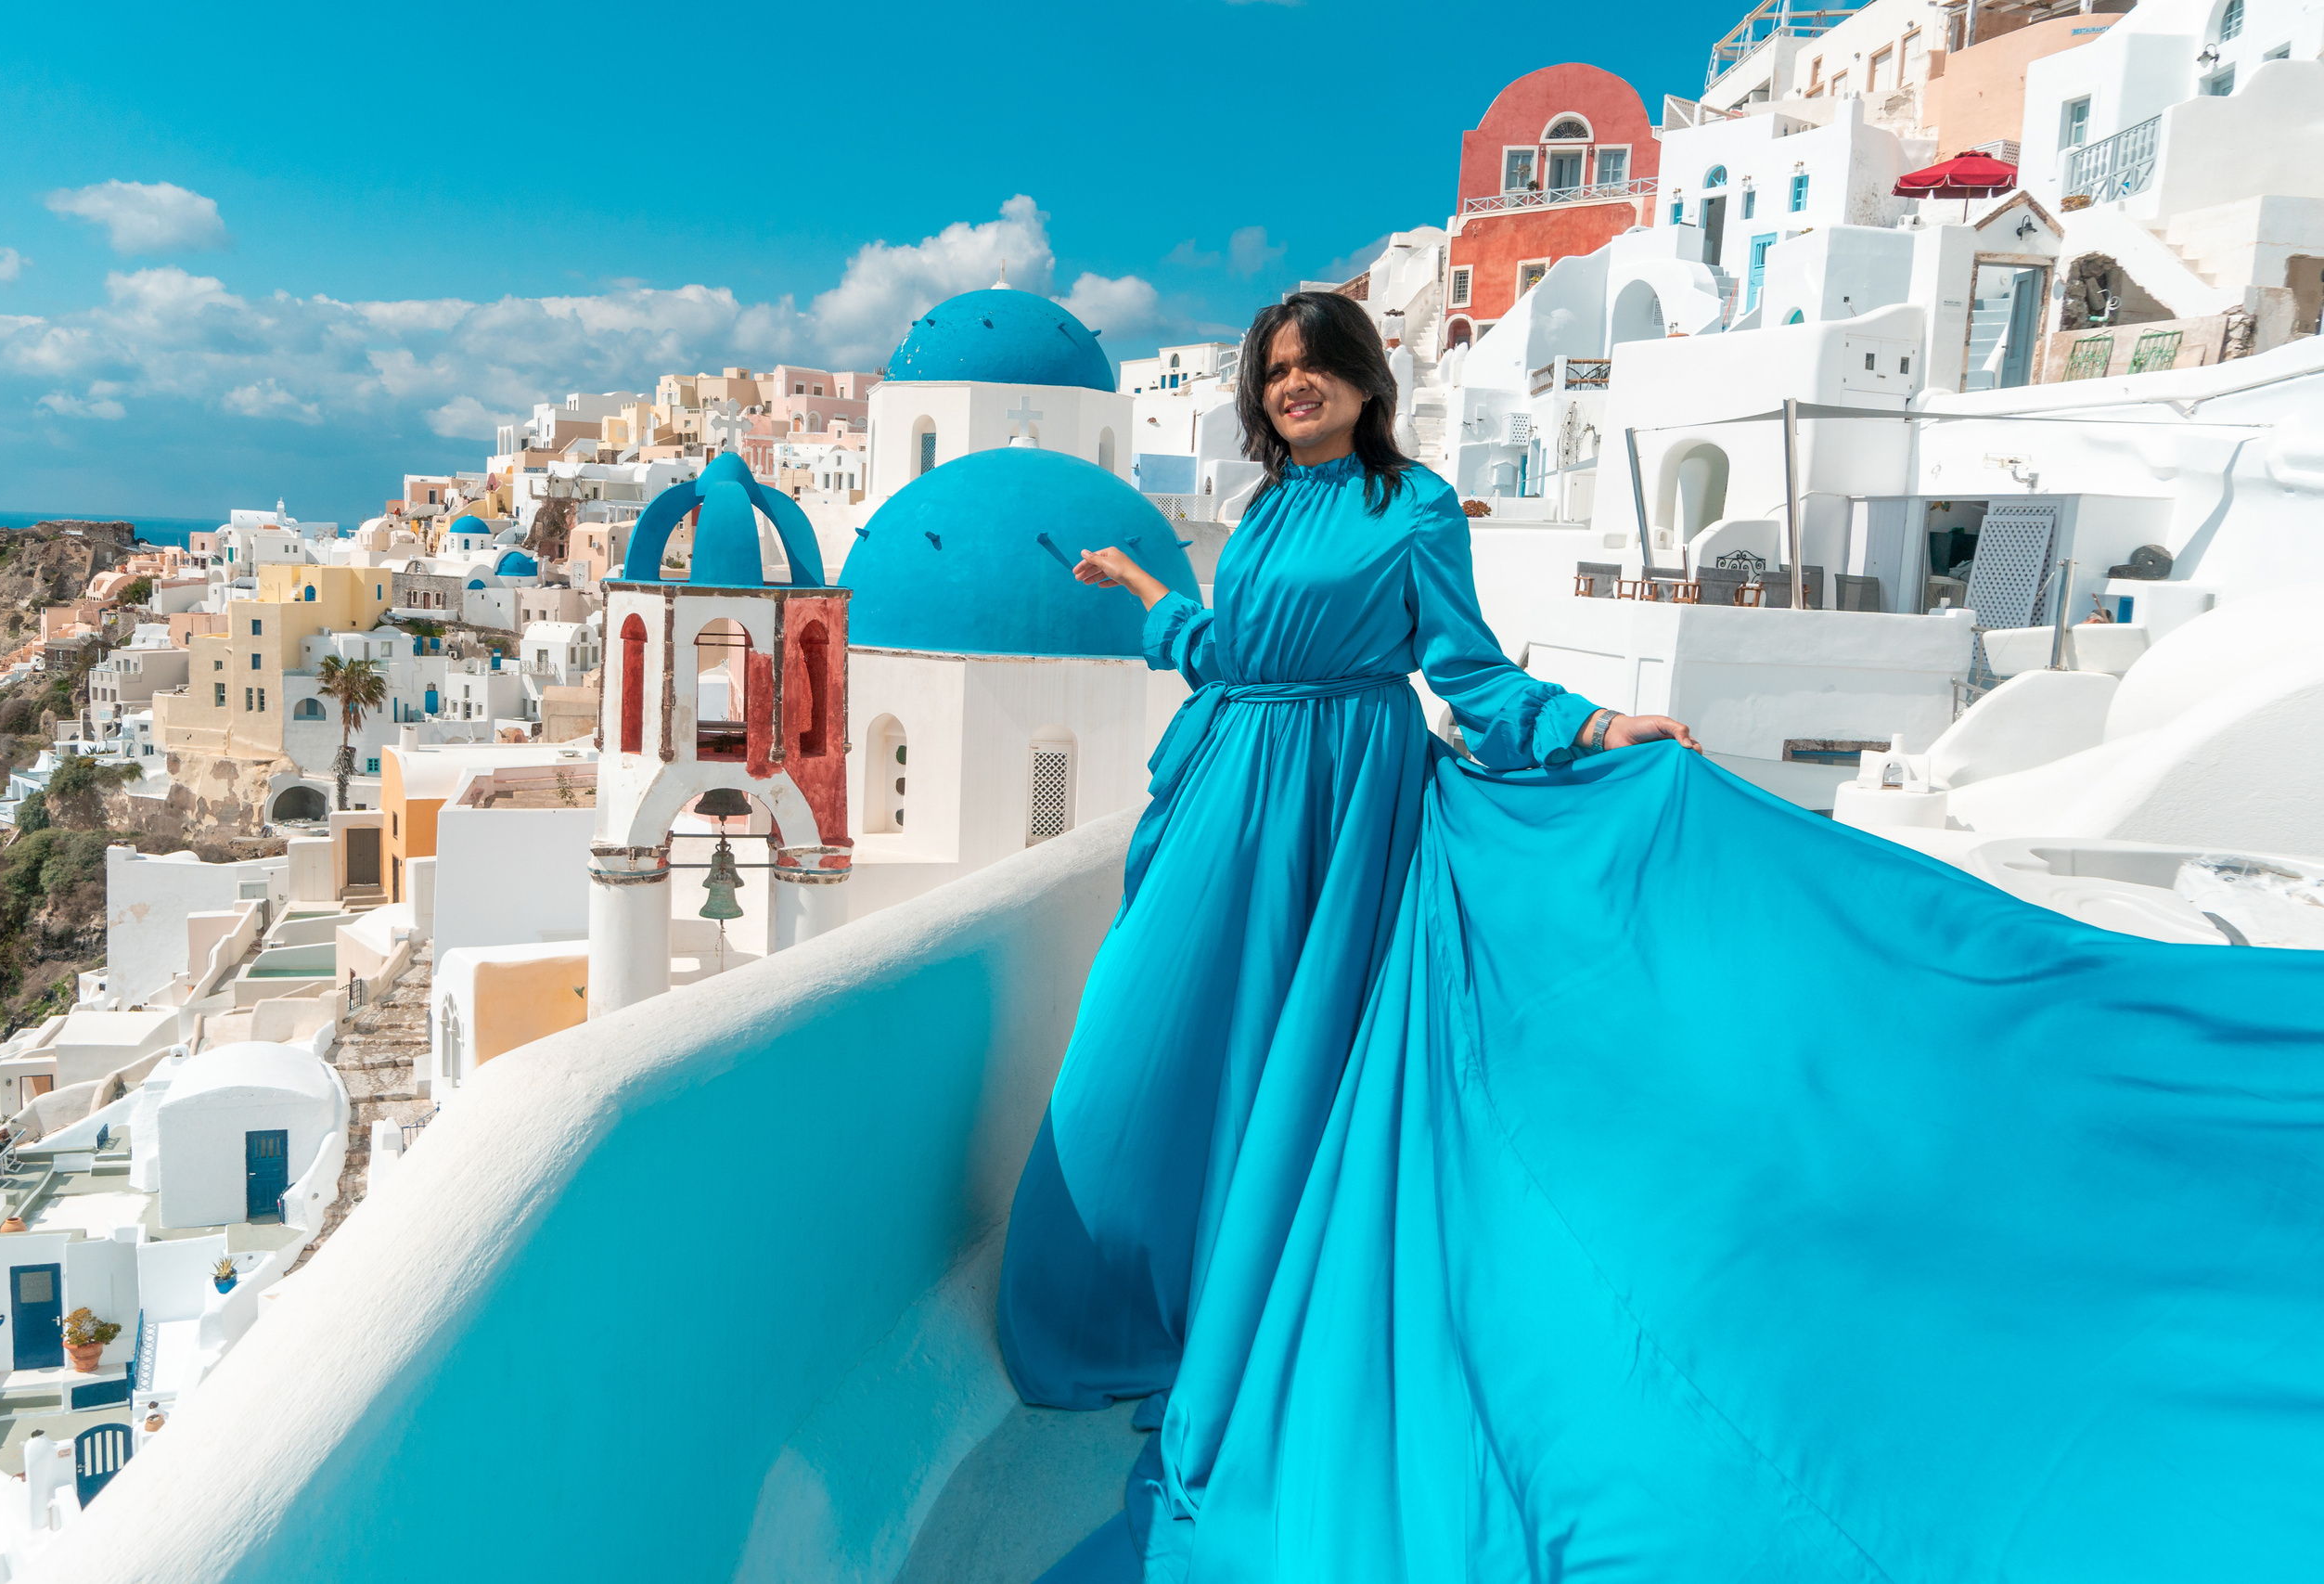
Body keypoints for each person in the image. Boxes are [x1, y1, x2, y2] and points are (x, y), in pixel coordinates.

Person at [996, 291, 2324, 1581]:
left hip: (1347, 818)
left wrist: (1593, 728)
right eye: (1275, 373)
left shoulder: (1415, 508)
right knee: (1151, 1048)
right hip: (1231, 801)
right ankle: (1134, 1301)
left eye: (1315, 367)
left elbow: (1469, 673)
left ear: (1363, 380)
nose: (1294, 388)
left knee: (1302, 1072)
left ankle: (1248, 1304)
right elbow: (1233, 651)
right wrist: (1145, 595)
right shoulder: (1268, 507)